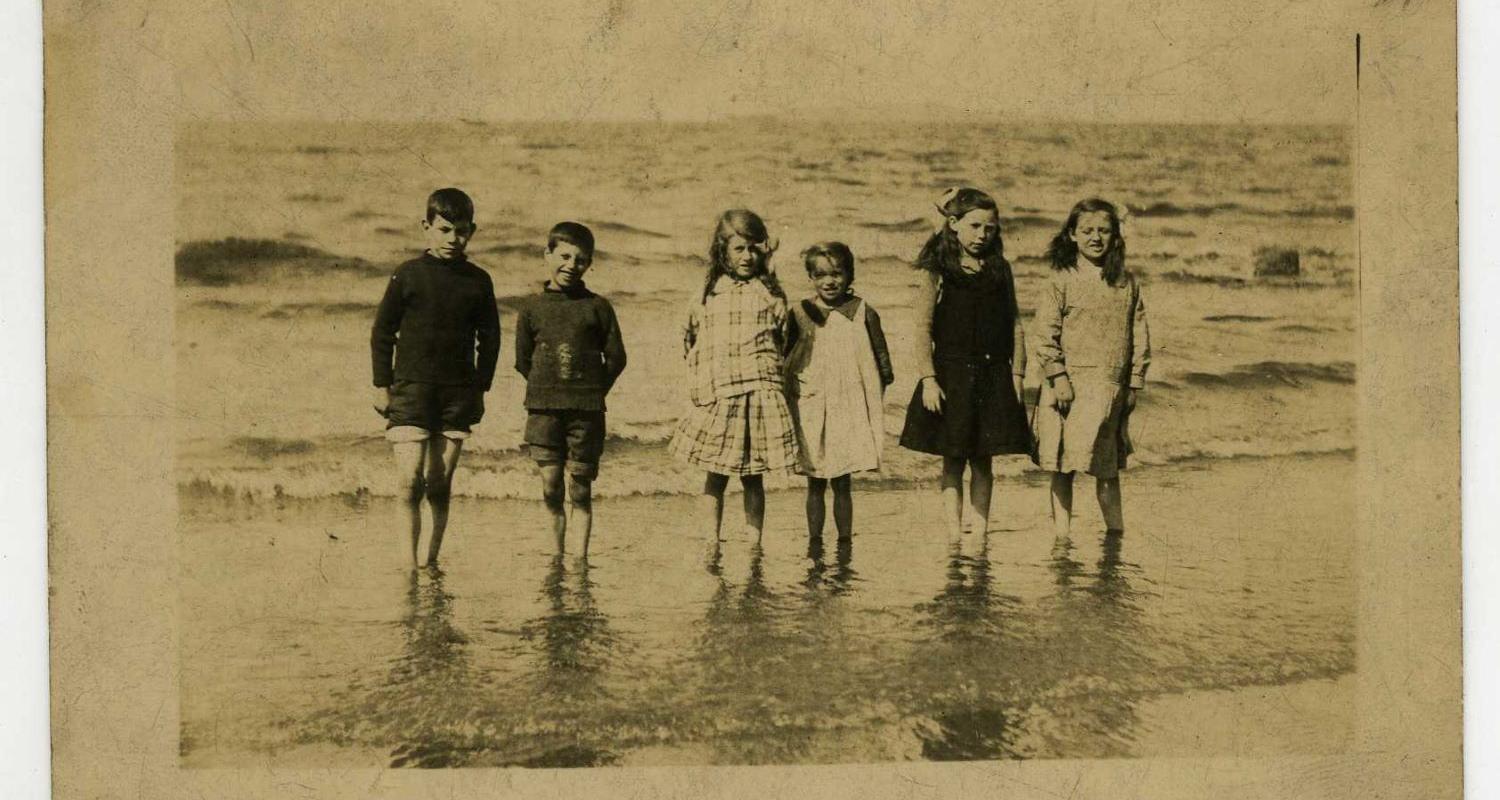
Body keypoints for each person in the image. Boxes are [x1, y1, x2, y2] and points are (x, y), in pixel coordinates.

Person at [370, 188, 501, 569]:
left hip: (457, 395)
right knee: (409, 482)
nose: (452, 239)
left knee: (439, 483)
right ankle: (408, 566)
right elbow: (382, 332)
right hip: (411, 391)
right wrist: (382, 385)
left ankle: (431, 562)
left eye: (461, 231)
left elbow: (490, 339)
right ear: (426, 228)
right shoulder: (407, 275)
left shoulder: (479, 280)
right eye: (444, 230)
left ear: (472, 232)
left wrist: (480, 388)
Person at [898, 187, 1031, 540]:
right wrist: (928, 378)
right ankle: (954, 533)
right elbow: (922, 327)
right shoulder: (938, 269)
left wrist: (1017, 374)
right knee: (953, 459)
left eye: (989, 228)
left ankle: (981, 531)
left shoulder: (1000, 269)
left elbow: (1015, 325)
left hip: (992, 375)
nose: (981, 235)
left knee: (984, 460)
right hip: (950, 376)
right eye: (974, 226)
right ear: (954, 224)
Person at [668, 209, 799, 542]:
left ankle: (753, 542)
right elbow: (690, 340)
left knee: (753, 476)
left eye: (754, 248)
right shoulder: (708, 293)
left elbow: (783, 343)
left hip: (758, 392)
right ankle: (711, 540)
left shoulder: (770, 294)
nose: (747, 256)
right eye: (739, 248)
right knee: (715, 474)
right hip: (721, 395)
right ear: (723, 250)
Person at [1032, 198, 1151, 540]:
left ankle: (1116, 532)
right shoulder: (1061, 279)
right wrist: (1058, 376)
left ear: (1116, 237)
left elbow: (1139, 336)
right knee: (1062, 464)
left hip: (1110, 387)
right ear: (1072, 235)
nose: (1095, 238)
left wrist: (1134, 384)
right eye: (1086, 230)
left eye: (1103, 231)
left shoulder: (1127, 283)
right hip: (1068, 388)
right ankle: (1062, 534)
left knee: (1107, 467)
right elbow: (1045, 334)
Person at [514, 222, 627, 554]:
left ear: (589, 263)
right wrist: (548, 388)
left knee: (580, 489)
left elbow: (617, 358)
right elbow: (523, 361)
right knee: (550, 486)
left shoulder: (598, 307)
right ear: (547, 255)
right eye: (563, 256)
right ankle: (556, 553)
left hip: (587, 414)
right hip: (544, 410)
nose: (571, 266)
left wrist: (593, 391)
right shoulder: (531, 308)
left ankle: (579, 560)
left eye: (580, 260)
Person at [783, 241, 894, 541]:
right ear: (811, 277)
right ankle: (815, 539)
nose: (829, 281)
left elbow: (882, 362)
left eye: (837, 273)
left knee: (842, 480)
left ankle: (845, 540)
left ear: (849, 275)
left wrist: (872, 401)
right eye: (820, 275)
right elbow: (785, 358)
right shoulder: (800, 312)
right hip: (812, 404)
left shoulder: (862, 311)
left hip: (848, 406)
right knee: (815, 480)